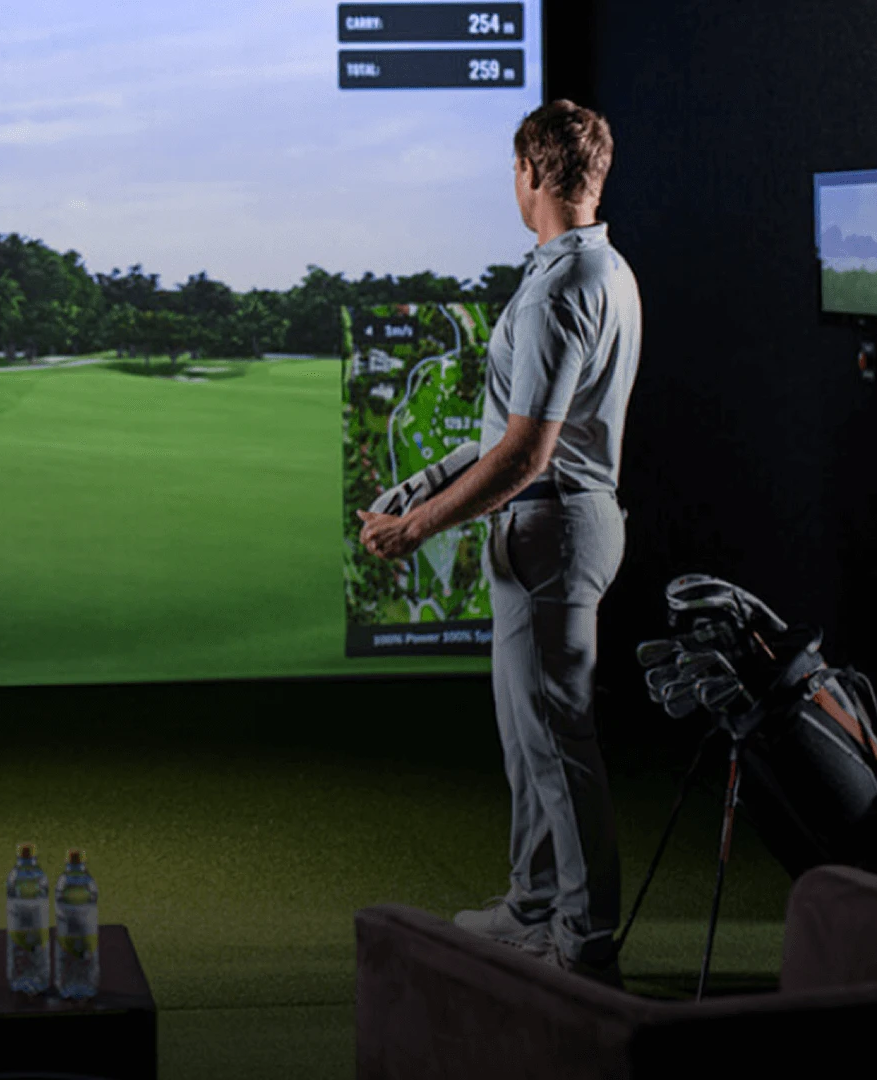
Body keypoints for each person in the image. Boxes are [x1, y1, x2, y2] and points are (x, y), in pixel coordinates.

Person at [357, 99, 640, 984]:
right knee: (531, 739)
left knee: (557, 739)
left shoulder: (562, 288)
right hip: (552, 525)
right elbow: (509, 432)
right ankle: (532, 910)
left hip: (552, 526)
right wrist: (420, 484)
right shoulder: (601, 270)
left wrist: (417, 527)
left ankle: (583, 941)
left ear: (534, 174)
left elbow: (524, 454)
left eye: (513, 172)